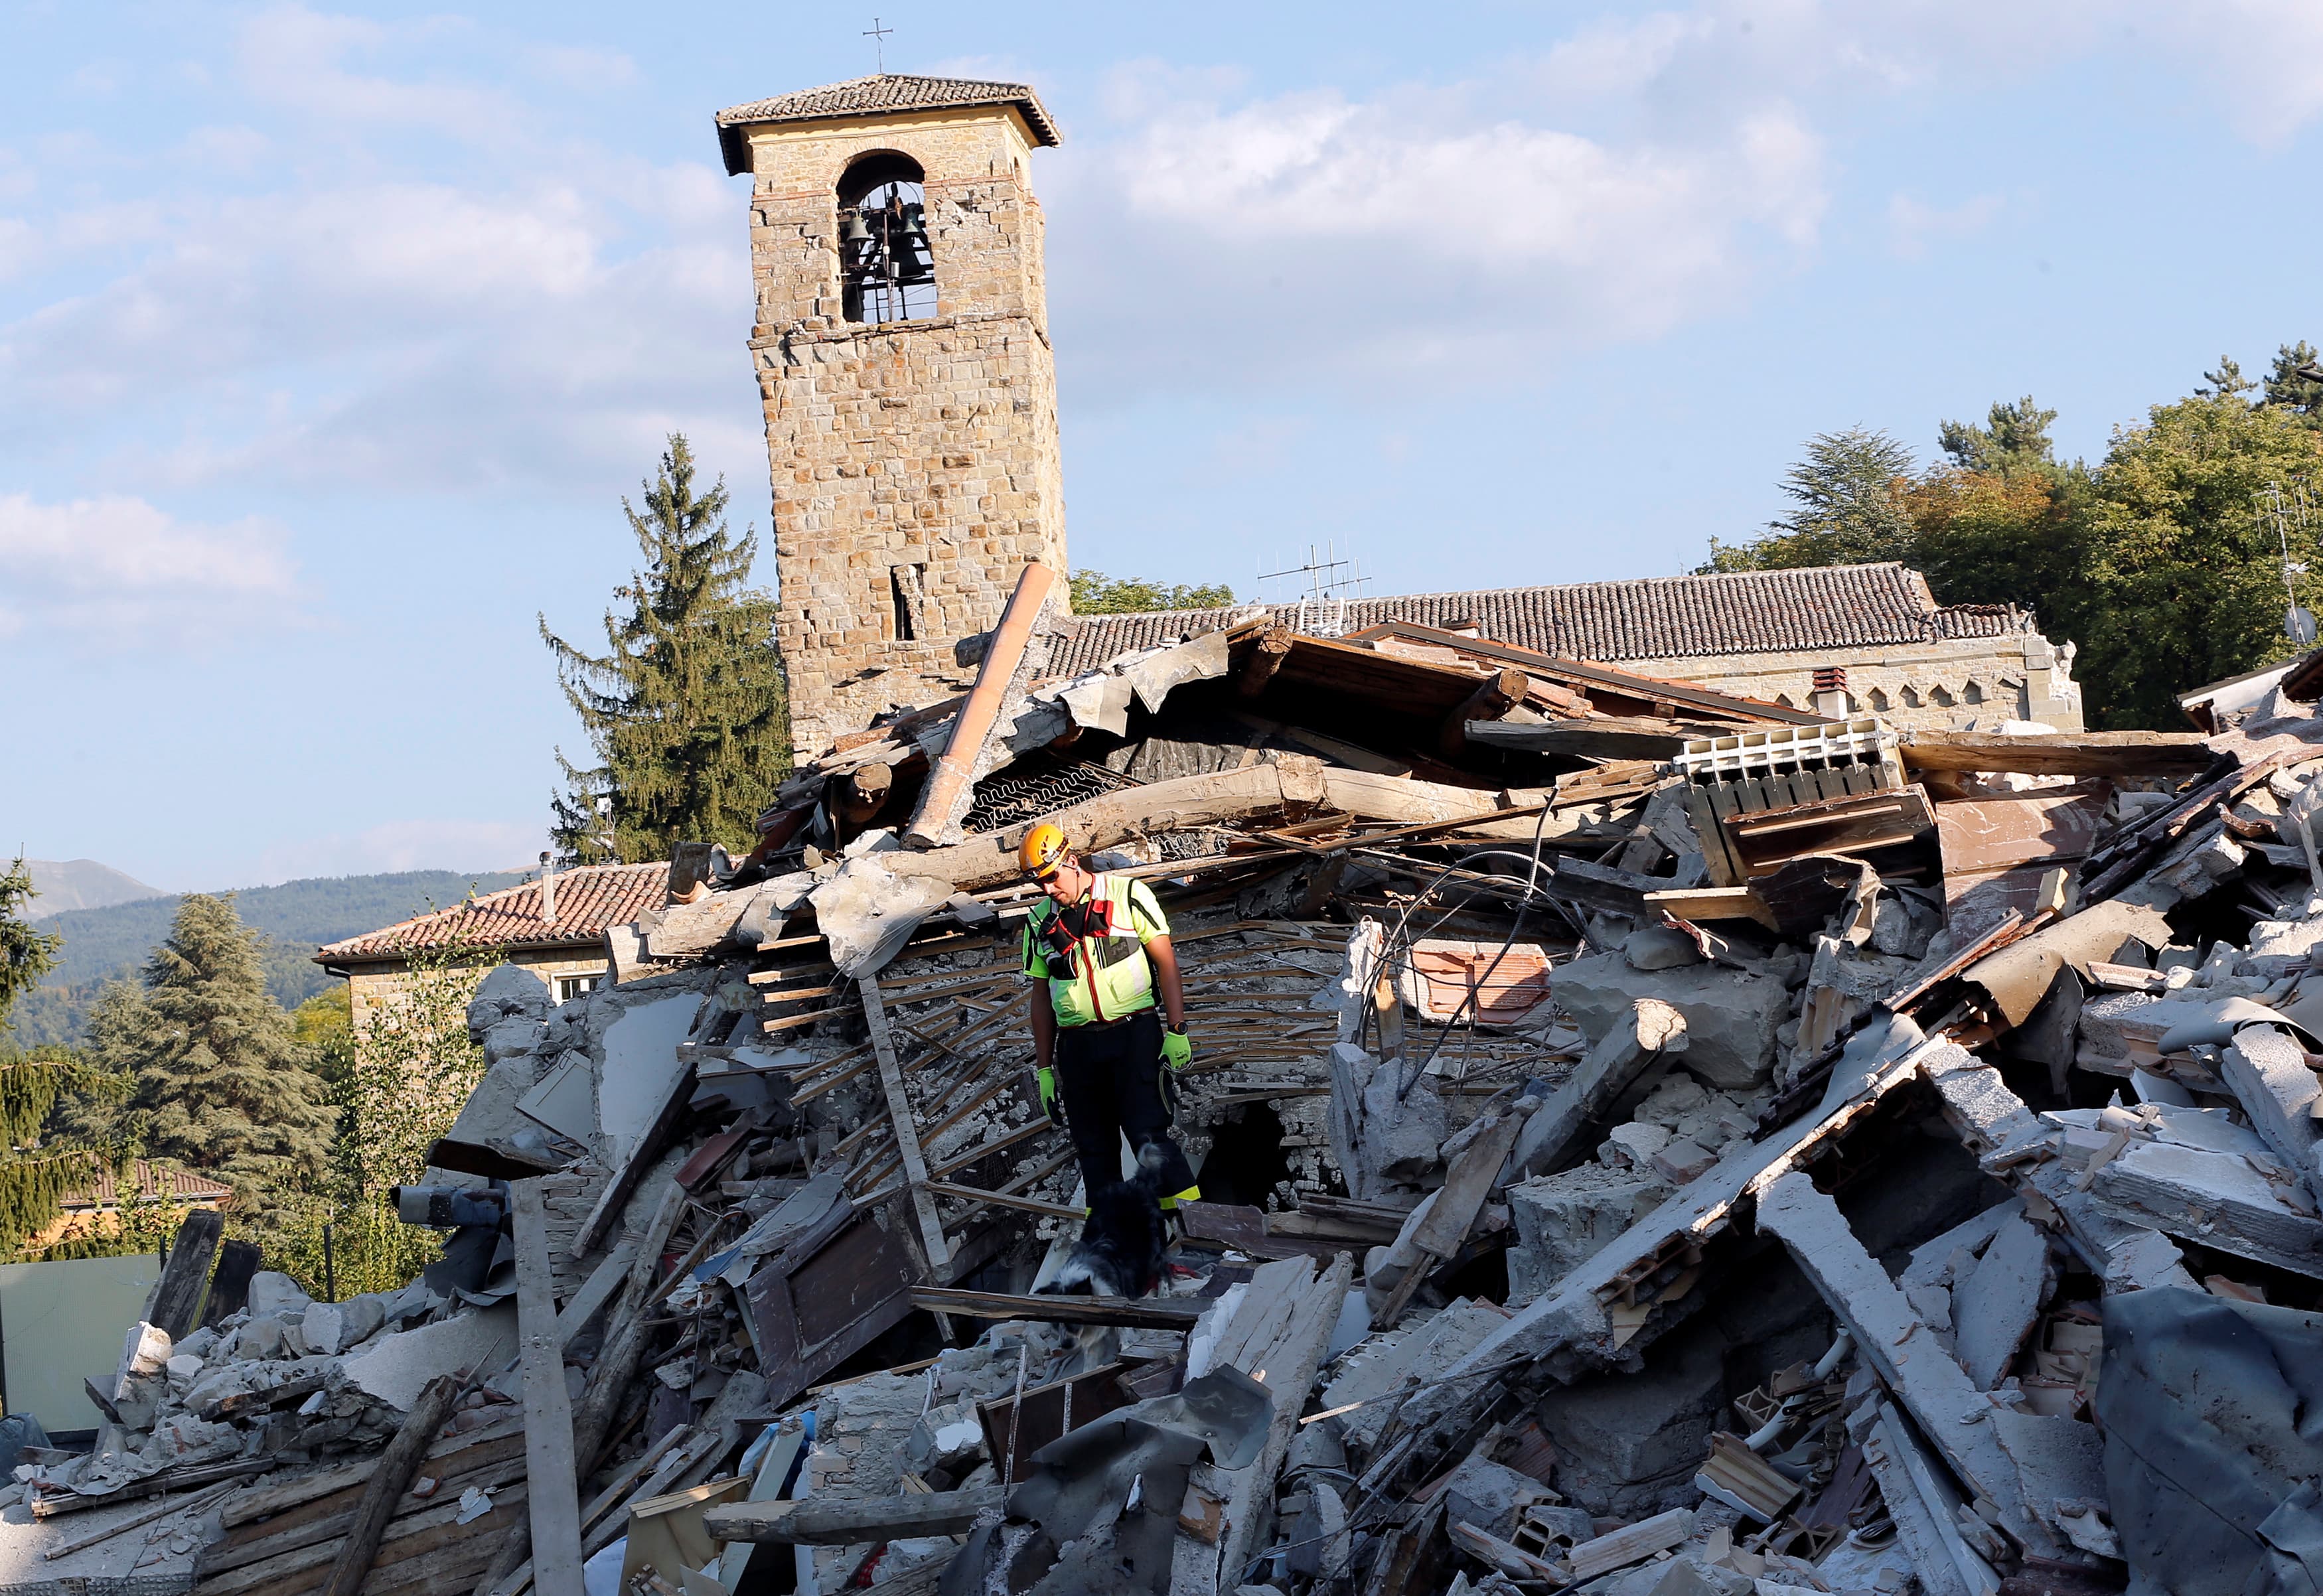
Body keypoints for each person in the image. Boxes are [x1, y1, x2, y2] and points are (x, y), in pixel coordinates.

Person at [1018, 822, 1201, 1214]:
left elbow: (1166, 963)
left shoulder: (1128, 895)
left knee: (1147, 1133)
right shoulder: (1037, 923)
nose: (1048, 889)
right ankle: (1114, 1249)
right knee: (1093, 1146)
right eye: (1039, 884)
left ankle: (1196, 1234)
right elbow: (1040, 998)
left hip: (1134, 1034)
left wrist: (1177, 1029)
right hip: (1078, 1047)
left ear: (1071, 860)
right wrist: (1044, 1069)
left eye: (1052, 878)